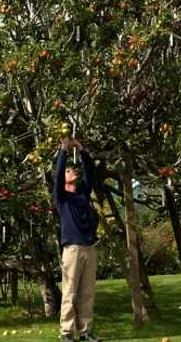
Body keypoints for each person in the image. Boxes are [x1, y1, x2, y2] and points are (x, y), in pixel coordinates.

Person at [53, 137, 101, 342]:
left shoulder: (82, 194)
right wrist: (64, 150)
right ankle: (66, 332)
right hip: (72, 249)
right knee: (70, 292)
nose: (71, 171)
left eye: (73, 170)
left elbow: (90, 172)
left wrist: (81, 150)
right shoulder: (61, 198)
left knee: (87, 293)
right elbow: (57, 177)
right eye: (68, 170)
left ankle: (86, 332)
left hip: (89, 247)